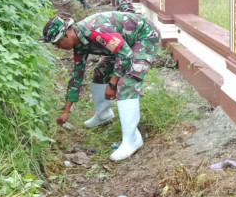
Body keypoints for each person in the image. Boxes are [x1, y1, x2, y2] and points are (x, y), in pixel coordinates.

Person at [40, 12, 160, 161]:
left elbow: (125, 54)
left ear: (66, 34)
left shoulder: (95, 30)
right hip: (123, 45)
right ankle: (103, 114)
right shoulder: (79, 43)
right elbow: (77, 75)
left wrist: (113, 83)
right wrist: (66, 111)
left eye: (57, 43)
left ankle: (132, 140)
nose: (58, 47)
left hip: (143, 37)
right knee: (100, 72)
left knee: (127, 82)